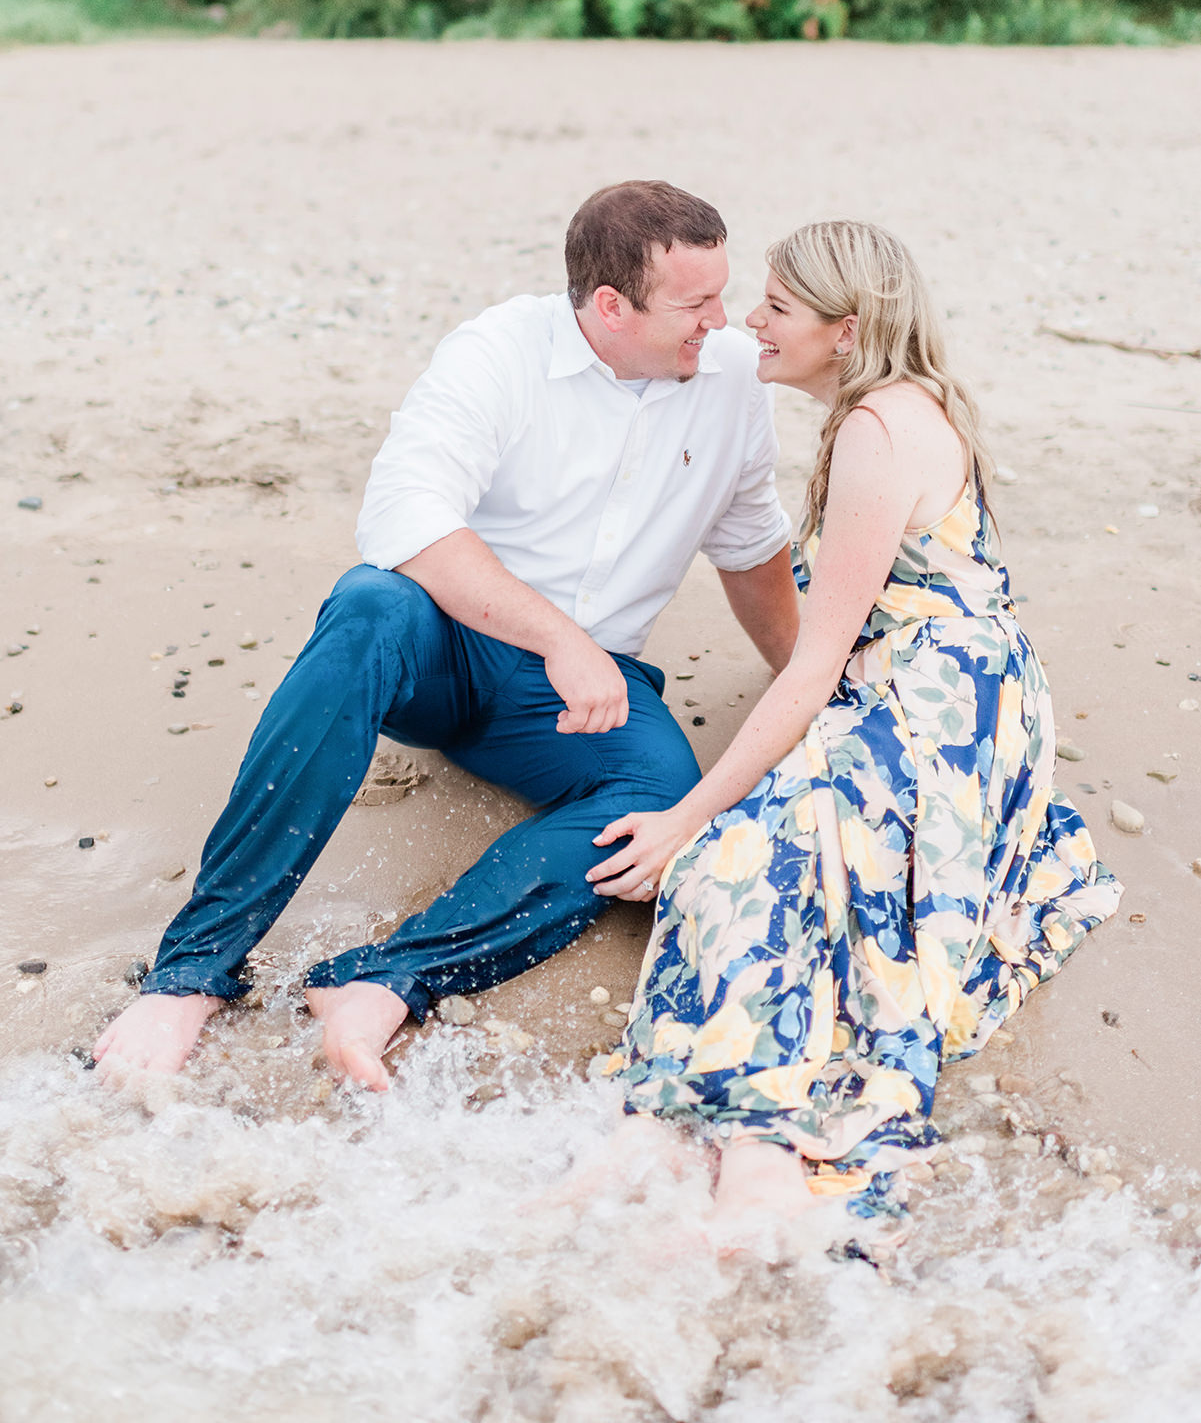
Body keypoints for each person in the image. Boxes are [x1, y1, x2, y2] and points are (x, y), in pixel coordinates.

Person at [93, 180, 799, 1090]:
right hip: (449, 650)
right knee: (370, 603)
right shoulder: (500, 351)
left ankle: (386, 981)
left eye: (723, 293)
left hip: (573, 702)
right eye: (696, 303)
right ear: (610, 306)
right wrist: (558, 638)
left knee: (660, 798)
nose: (725, 319)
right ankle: (191, 974)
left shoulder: (732, 377)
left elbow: (751, 550)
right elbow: (406, 516)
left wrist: (811, 683)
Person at [592, 220, 1121, 1224]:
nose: (751, 323)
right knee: (774, 858)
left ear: (845, 330)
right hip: (955, 685)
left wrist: (684, 817)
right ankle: (692, 1138)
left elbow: (811, 666)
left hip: (940, 706)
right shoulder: (882, 409)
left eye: (777, 308)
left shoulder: (878, 430)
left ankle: (731, 1141)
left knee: (734, 858)